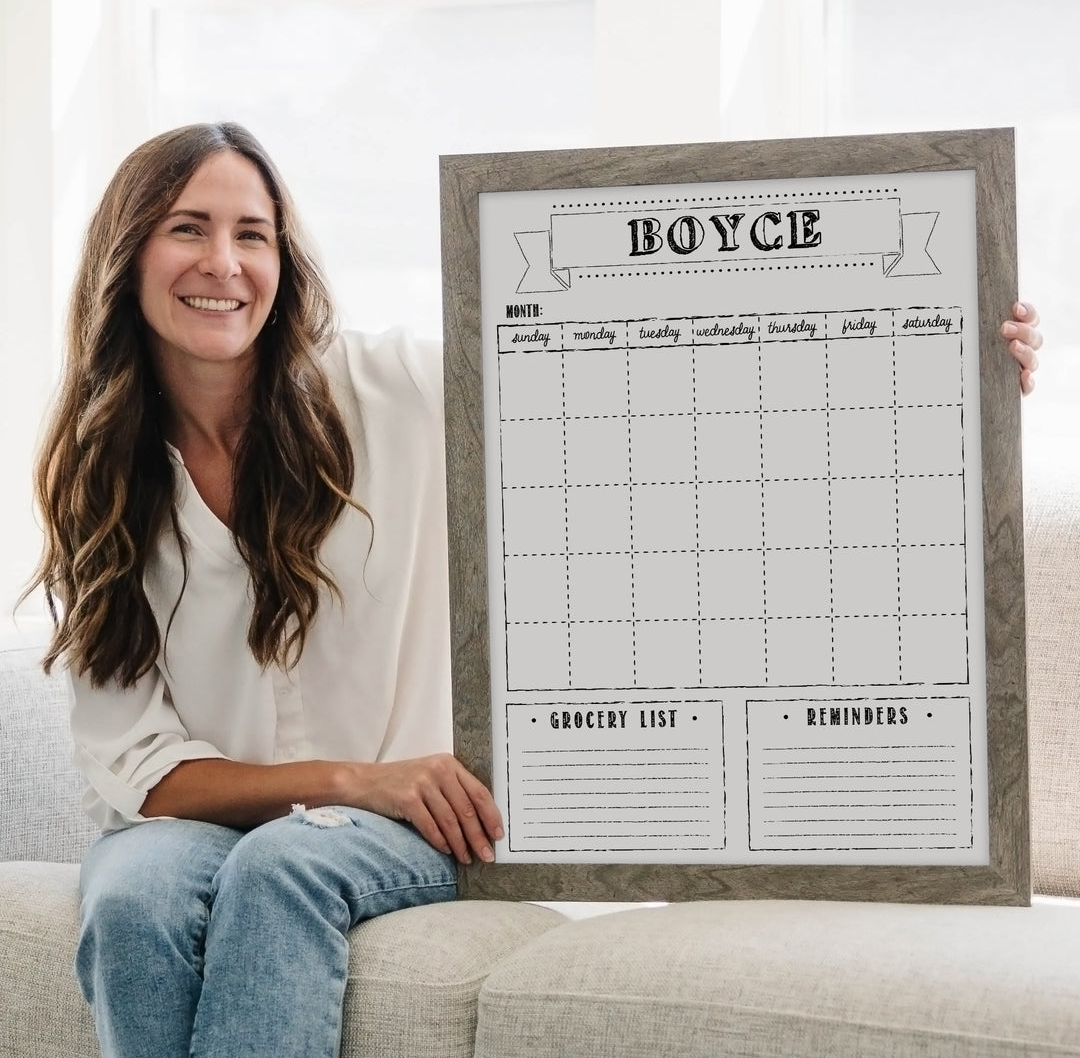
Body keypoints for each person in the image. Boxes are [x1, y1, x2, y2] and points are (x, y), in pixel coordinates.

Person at [28, 122, 1042, 1058]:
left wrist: (947, 349)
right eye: (187, 229)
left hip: (416, 823)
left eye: (254, 233)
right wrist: (351, 779)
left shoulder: (399, 395)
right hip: (233, 815)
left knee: (283, 869)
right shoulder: (100, 474)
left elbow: (659, 383)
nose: (224, 262)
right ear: (129, 255)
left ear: (284, 264)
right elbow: (141, 767)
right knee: (132, 899)